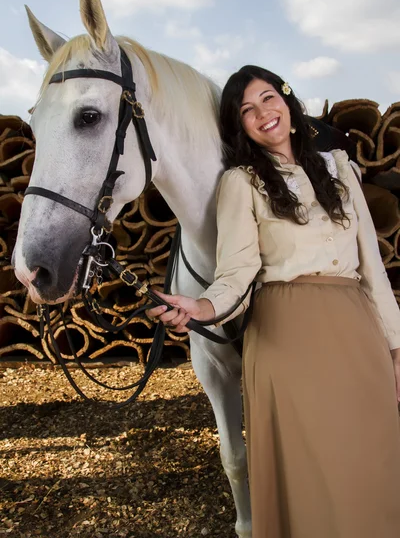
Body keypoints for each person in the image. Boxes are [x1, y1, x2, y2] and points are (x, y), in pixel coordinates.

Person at [147, 65, 400, 537]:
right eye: (247, 110)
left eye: (268, 98)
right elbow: (236, 274)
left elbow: (374, 271)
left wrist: (396, 346)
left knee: (371, 466)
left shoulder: (339, 167)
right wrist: (200, 308)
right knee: (311, 477)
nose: (263, 113)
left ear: (287, 99)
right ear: (239, 125)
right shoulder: (241, 183)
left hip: (358, 335)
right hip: (287, 342)